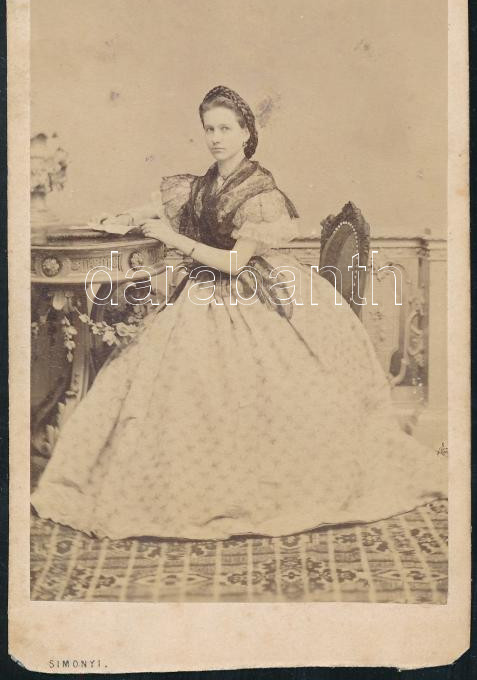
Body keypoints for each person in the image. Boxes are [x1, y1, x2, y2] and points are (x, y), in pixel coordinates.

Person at [31, 86, 447, 541]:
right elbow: (164, 208)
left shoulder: (260, 193)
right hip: (204, 290)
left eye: (225, 129)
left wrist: (173, 239)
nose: (216, 138)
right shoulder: (202, 184)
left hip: (249, 292)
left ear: (247, 133)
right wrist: (123, 218)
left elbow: (234, 262)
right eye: (209, 129)